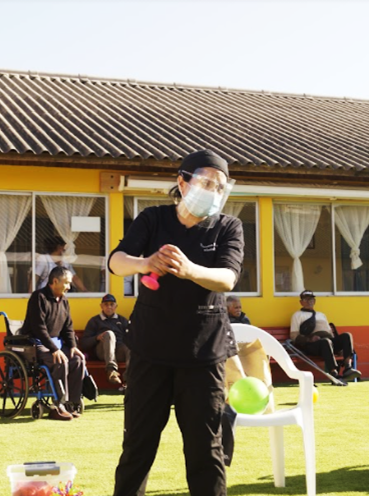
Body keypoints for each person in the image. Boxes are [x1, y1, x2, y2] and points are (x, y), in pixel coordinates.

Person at [108, 149, 244, 496]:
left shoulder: (228, 226)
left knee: (205, 449)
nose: (213, 191)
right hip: (150, 348)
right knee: (138, 445)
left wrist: (190, 270)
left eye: (220, 187)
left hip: (203, 353)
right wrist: (145, 263)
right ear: (182, 183)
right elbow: (116, 262)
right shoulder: (153, 218)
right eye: (206, 183)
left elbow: (227, 278)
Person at [20, 265, 86, 420]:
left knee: (77, 360)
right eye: (67, 283)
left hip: (55, 344)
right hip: (35, 343)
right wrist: (54, 349)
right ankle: (58, 406)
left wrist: (73, 347)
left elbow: (68, 327)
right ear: (55, 281)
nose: (69, 287)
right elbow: (39, 328)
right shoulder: (38, 297)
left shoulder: (64, 301)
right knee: (60, 360)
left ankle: (71, 403)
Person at [290, 290, 362, 382]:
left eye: (311, 299)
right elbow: (294, 336)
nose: (309, 302)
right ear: (301, 302)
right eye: (306, 299)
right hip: (312, 345)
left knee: (347, 335)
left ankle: (348, 367)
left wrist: (340, 347)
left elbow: (330, 333)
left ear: (314, 301)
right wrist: (309, 339)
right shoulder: (297, 315)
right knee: (326, 342)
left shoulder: (321, 315)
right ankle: (333, 373)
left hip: (328, 342)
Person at [82, 294, 130, 386]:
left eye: (111, 304)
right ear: (101, 306)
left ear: (116, 306)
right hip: (103, 352)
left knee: (130, 347)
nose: (109, 307)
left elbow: (131, 337)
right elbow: (84, 343)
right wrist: (96, 338)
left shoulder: (122, 320)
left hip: (119, 351)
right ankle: (111, 371)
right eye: (106, 304)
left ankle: (129, 380)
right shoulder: (94, 321)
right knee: (109, 334)